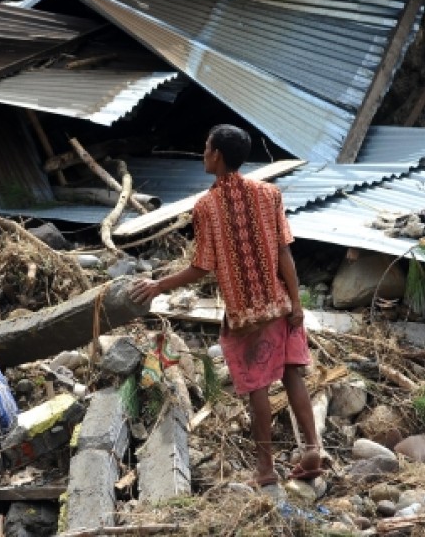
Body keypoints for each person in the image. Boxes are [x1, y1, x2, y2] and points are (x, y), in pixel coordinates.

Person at [129, 124, 322, 488]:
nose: (203, 154)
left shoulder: (206, 207)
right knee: (292, 373)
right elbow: (284, 253)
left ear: (217, 155)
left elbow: (202, 266)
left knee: (258, 388)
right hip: (280, 303)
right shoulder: (269, 194)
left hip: (245, 316)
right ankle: (312, 448)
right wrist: (296, 304)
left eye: (205, 148)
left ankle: (265, 469)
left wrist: (159, 285)